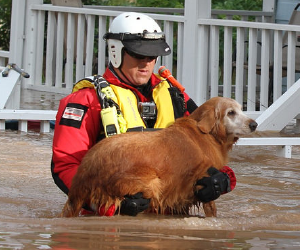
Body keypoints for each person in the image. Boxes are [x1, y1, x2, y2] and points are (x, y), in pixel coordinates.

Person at [51, 12, 236, 216]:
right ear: (116, 51)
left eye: (152, 56)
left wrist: (223, 179)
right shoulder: (85, 100)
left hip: (171, 217)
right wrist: (106, 206)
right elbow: (65, 167)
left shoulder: (175, 95)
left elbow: (213, 146)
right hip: (111, 220)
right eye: (139, 55)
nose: (146, 63)